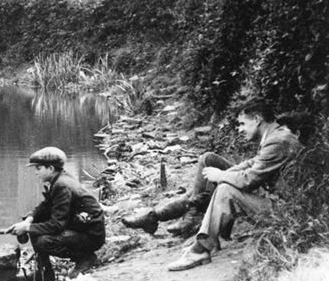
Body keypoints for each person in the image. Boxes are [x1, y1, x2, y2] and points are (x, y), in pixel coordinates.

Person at [124, 100, 301, 271]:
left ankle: (199, 249)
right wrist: (225, 174)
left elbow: (249, 180)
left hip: (284, 210)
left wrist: (222, 176)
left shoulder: (277, 140)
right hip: (275, 199)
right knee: (211, 165)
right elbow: (251, 163)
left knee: (225, 190)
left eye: (242, 124)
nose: (239, 129)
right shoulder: (275, 135)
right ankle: (190, 219)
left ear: (257, 120)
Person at [7, 146, 106, 281]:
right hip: (79, 227)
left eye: (38, 168)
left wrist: (27, 228)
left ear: (51, 168)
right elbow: (46, 205)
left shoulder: (62, 185)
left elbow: (57, 225)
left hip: (91, 236)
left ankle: (85, 258)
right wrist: (28, 220)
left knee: (44, 242)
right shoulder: (59, 179)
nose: (36, 173)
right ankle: (44, 272)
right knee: (35, 224)